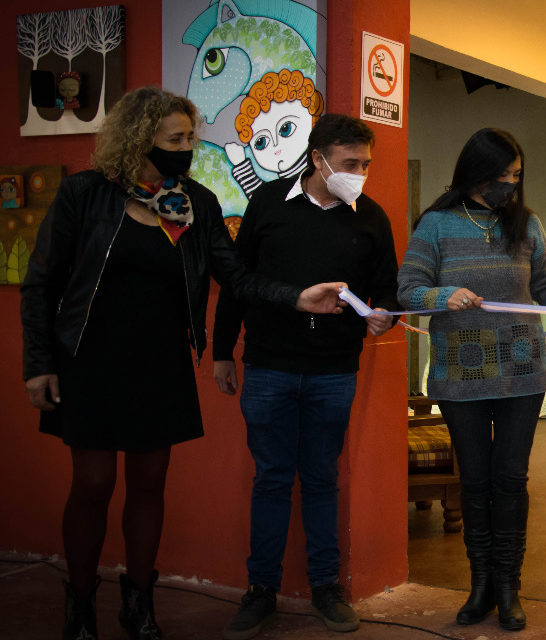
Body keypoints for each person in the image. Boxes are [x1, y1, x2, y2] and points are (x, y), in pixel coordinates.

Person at [18, 86, 346, 640]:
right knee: (93, 484)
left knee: (150, 485)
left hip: (160, 363)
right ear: (139, 139)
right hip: (90, 362)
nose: (187, 148)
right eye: (176, 139)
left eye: (192, 137)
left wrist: (296, 296)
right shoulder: (84, 195)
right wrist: (38, 363)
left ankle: (139, 604)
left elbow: (235, 276)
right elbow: (41, 283)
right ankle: (78, 604)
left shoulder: (193, 201)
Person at [397, 128, 546, 632]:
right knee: (476, 482)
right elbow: (409, 289)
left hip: (522, 373)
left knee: (511, 480)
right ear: (474, 173)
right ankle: (480, 584)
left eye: (516, 176)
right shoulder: (436, 225)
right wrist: (444, 296)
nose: (510, 184)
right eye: (502, 175)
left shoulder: (527, 224)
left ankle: (509, 587)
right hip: (460, 374)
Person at [212, 113, 399, 639]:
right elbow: (238, 281)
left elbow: (387, 287)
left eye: (365, 164)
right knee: (271, 479)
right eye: (349, 164)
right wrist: (223, 350)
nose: (359, 173)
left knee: (321, 478)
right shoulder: (268, 204)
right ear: (317, 159)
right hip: (268, 364)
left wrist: (383, 313)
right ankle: (260, 591)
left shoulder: (372, 218)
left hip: (334, 371)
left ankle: (326, 587)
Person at [225, 69, 324, 200]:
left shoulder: (317, 177)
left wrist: (242, 166)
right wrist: (241, 165)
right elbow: (266, 201)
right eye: (260, 142)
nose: (276, 144)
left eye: (285, 129)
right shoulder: (276, 191)